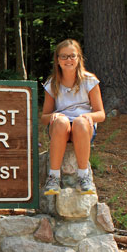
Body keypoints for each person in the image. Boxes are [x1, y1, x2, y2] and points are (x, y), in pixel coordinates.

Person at [40, 39, 105, 195]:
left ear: (78, 58)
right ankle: (53, 178)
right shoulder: (52, 83)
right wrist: (54, 116)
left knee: (80, 122)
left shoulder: (89, 80)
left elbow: (101, 114)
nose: (68, 60)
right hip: (60, 127)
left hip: (82, 127)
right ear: (57, 59)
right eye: (64, 56)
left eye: (72, 56)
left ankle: (84, 177)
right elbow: (43, 117)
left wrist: (89, 117)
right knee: (61, 121)